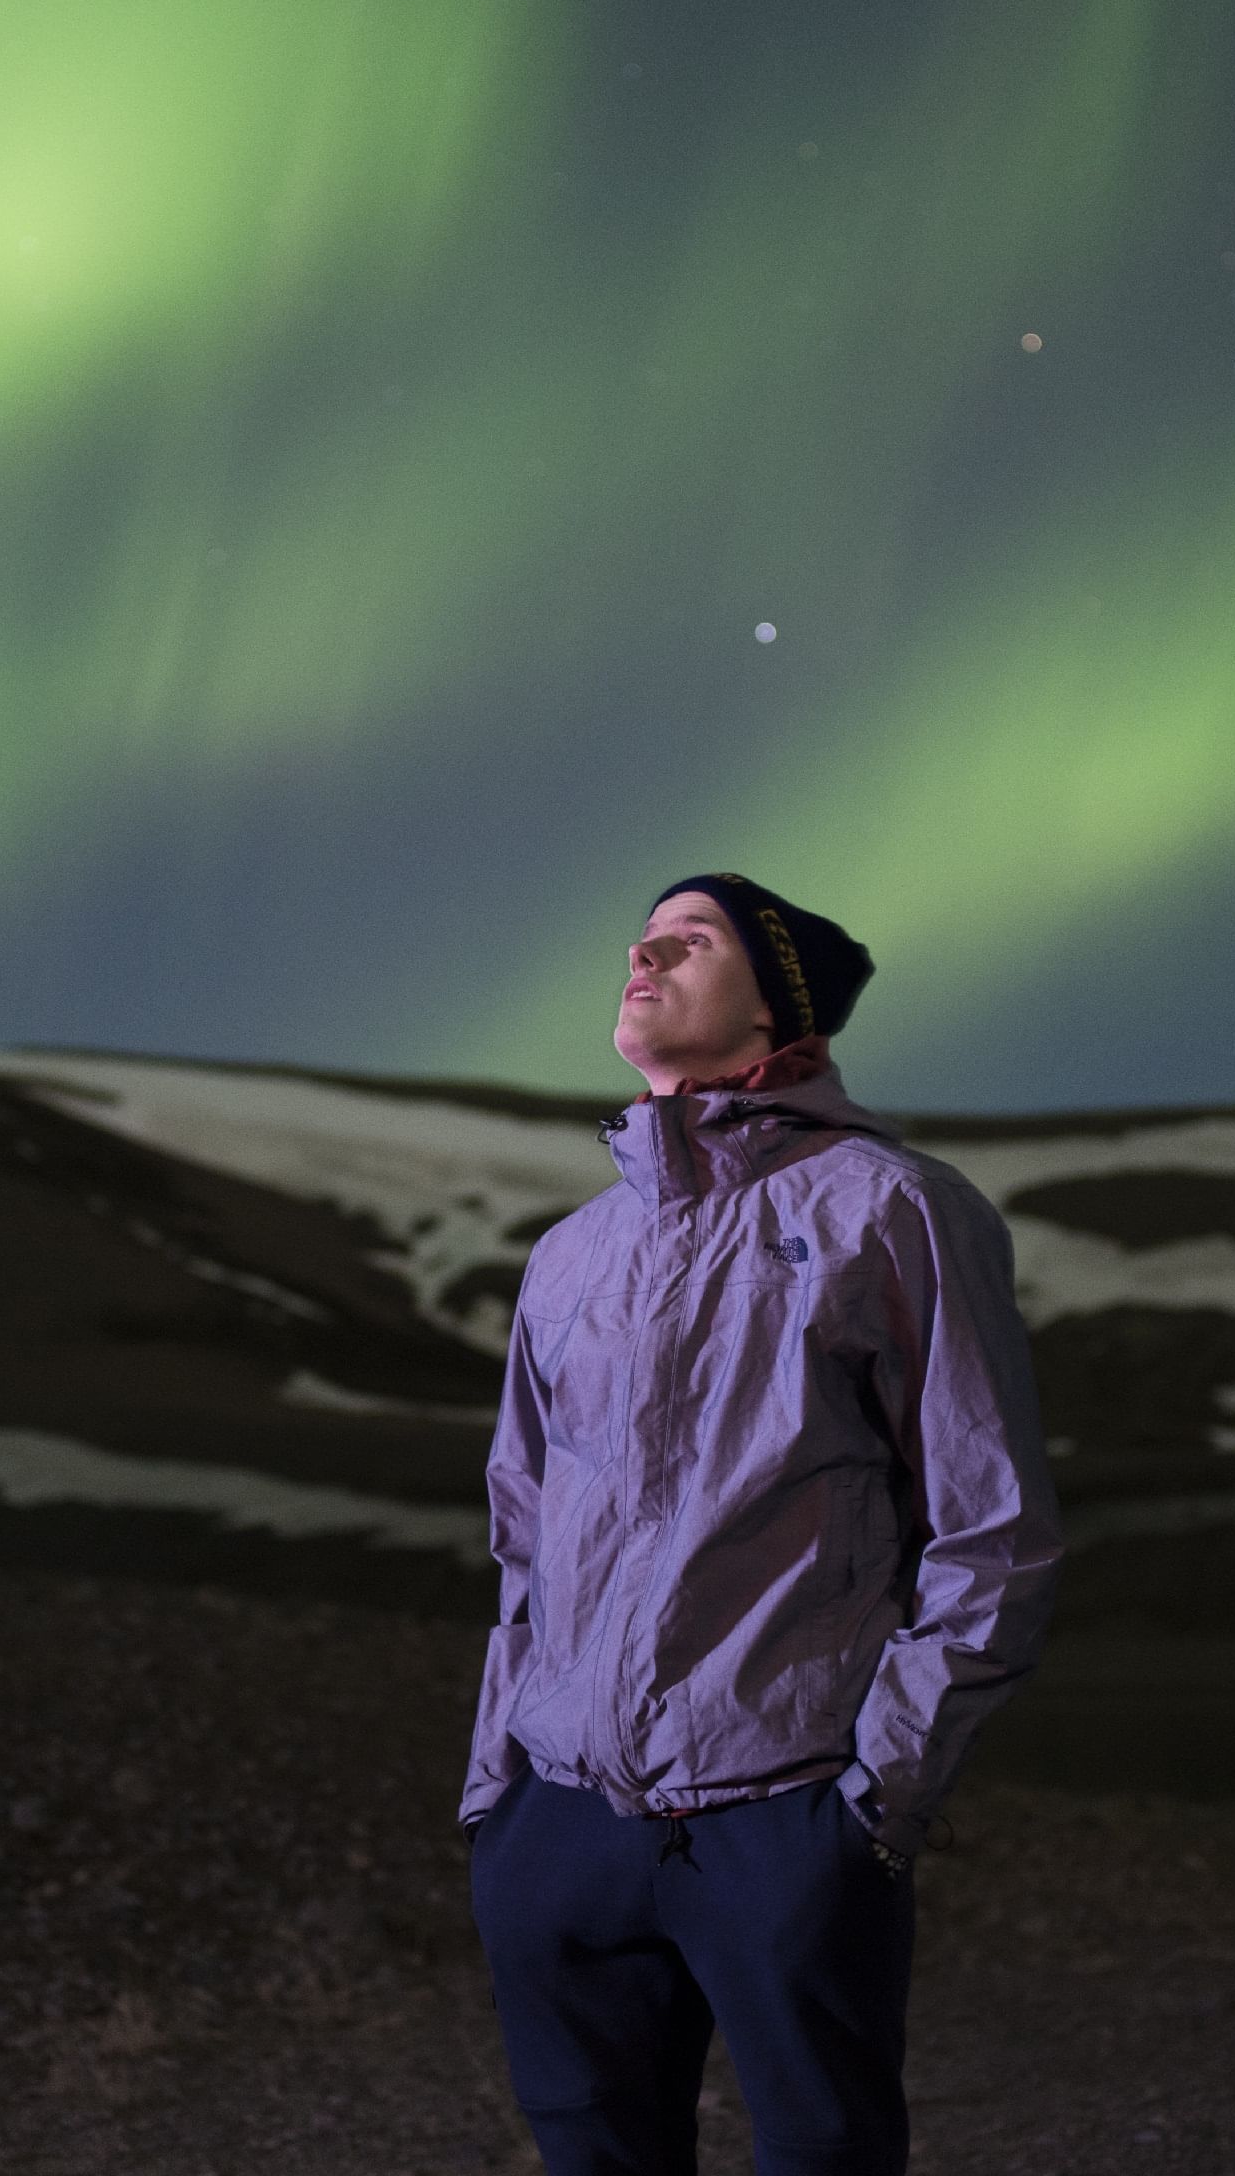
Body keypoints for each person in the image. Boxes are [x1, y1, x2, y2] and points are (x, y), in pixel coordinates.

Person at [462, 872, 1062, 2176]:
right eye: (643, 932)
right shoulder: (574, 1250)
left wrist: (870, 1808)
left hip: (780, 1815)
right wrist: (497, 1798)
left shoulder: (888, 1207)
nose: (644, 949)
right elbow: (521, 1533)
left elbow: (992, 1529)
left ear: (777, 1008)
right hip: (562, 1825)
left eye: (695, 938)